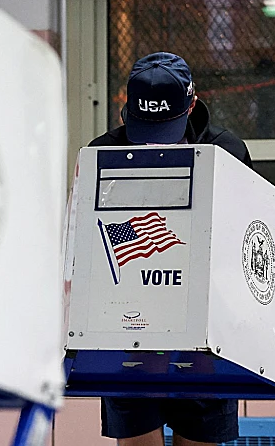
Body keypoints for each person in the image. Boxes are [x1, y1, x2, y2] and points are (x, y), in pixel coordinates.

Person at [89, 52, 251, 446]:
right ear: (126, 107)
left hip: (205, 333)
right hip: (128, 328)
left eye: (166, 129)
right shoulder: (103, 153)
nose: (151, 142)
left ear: (192, 105)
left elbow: (248, 238)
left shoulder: (225, 152)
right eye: (144, 127)